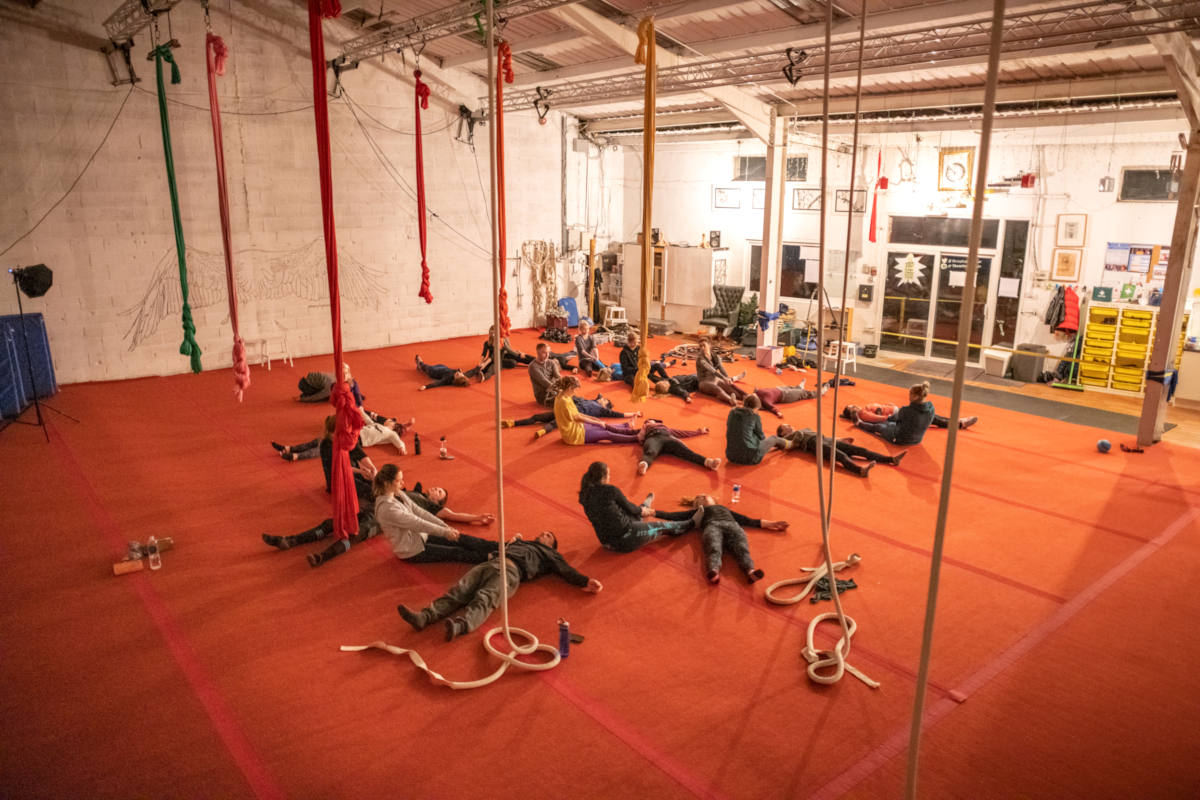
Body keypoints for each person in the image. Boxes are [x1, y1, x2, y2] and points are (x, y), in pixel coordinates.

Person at [397, 531, 602, 641]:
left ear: (552, 545)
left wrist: (584, 581)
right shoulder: (517, 543)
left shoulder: (550, 555)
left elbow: (566, 570)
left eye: (548, 535)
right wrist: (460, 536)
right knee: (459, 590)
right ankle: (425, 617)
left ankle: (462, 625)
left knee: (486, 598)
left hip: (512, 571)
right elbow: (486, 544)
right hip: (490, 563)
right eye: (543, 532)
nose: (543, 534)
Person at [372, 465, 500, 564]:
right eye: (399, 481)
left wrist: (444, 526)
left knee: (460, 538)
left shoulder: (398, 494)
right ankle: (489, 557)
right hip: (412, 550)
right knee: (455, 552)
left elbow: (419, 511)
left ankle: (499, 546)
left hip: (421, 535)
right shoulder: (388, 509)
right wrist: (444, 532)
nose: (403, 484)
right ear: (387, 483)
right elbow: (417, 522)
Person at [656, 495, 787, 584]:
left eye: (705, 495)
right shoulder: (698, 512)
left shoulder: (723, 508)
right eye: (699, 498)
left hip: (732, 525)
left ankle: (750, 571)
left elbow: (746, 520)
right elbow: (674, 515)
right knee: (713, 547)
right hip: (712, 525)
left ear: (714, 500)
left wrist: (772, 524)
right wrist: (653, 512)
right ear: (696, 505)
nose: (703, 497)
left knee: (741, 547)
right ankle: (714, 570)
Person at [577, 461, 693, 552]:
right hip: (625, 539)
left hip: (606, 542)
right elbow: (630, 507)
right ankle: (690, 523)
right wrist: (643, 511)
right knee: (660, 526)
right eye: (609, 474)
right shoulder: (610, 490)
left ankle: (644, 506)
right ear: (603, 478)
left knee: (632, 515)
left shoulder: (584, 494)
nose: (609, 477)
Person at [847, 382, 964, 445]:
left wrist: (887, 416)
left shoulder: (907, 410)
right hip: (918, 438)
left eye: (910, 393)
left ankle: (859, 424)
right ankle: (955, 422)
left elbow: (892, 418)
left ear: (915, 396)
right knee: (933, 418)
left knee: (880, 427)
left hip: (901, 438)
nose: (908, 396)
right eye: (852, 407)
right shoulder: (931, 407)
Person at [776, 423, 903, 477]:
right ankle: (860, 470)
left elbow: (825, 436)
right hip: (814, 444)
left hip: (825, 439)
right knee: (840, 456)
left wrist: (840, 439)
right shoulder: (790, 437)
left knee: (859, 450)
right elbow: (787, 445)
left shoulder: (804, 429)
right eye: (785, 427)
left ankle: (890, 459)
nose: (788, 425)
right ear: (783, 433)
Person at [554, 376, 643, 445]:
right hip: (574, 435)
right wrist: (595, 422)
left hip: (577, 427)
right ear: (570, 388)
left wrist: (594, 420)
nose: (575, 392)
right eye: (575, 389)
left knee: (601, 425)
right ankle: (636, 438)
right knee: (607, 434)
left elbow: (577, 414)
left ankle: (625, 426)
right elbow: (578, 417)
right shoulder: (564, 401)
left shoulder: (562, 396)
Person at [502, 393, 640, 437]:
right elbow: (572, 397)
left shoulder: (601, 410)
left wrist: (634, 413)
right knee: (538, 417)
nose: (601, 398)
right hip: (565, 409)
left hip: (571, 415)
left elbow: (618, 414)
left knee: (554, 423)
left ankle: (542, 432)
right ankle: (513, 423)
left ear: (605, 405)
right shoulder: (588, 400)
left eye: (604, 400)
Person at [620, 331, 691, 402]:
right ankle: (640, 392)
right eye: (634, 343)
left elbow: (644, 360)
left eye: (636, 342)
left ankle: (667, 379)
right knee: (635, 381)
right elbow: (626, 369)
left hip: (642, 370)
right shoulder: (624, 353)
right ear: (629, 342)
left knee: (657, 365)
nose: (636, 344)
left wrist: (645, 364)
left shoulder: (638, 348)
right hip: (631, 373)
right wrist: (638, 369)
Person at [637, 419, 720, 474]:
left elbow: (683, 433)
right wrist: (643, 430)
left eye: (650, 421)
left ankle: (709, 463)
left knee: (686, 452)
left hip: (667, 437)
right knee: (651, 451)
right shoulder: (645, 429)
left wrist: (699, 431)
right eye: (646, 422)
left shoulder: (666, 428)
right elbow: (638, 437)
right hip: (653, 438)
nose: (648, 422)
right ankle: (644, 465)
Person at [725, 393, 788, 465]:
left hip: (731, 456)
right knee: (774, 438)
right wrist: (767, 444)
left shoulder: (732, 412)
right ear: (755, 408)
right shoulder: (754, 416)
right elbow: (761, 436)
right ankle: (790, 443)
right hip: (750, 457)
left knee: (747, 433)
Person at [843, 401, 978, 432]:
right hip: (897, 416)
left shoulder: (865, 407)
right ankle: (959, 424)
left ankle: (958, 421)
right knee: (930, 417)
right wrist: (894, 415)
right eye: (852, 408)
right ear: (852, 413)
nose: (855, 406)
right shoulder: (863, 414)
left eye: (852, 405)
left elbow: (881, 406)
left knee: (931, 416)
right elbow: (879, 418)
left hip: (897, 411)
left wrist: (890, 405)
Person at [695, 338, 747, 406]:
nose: (702, 348)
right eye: (700, 346)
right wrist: (724, 378)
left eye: (704, 345)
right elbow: (712, 370)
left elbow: (721, 368)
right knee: (718, 389)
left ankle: (746, 398)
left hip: (715, 379)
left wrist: (727, 378)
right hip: (704, 382)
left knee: (730, 389)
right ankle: (731, 401)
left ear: (709, 345)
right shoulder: (700, 359)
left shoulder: (715, 356)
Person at [754, 380, 828, 418]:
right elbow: (772, 408)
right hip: (786, 396)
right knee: (803, 393)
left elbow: (743, 392)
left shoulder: (755, 394)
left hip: (779, 389)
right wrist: (778, 413)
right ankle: (821, 392)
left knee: (791, 387)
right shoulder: (765, 401)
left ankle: (799, 387)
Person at [528, 343, 563, 407]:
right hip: (543, 396)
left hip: (555, 391)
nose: (547, 355)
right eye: (544, 353)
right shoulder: (533, 366)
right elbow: (544, 382)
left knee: (573, 399)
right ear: (538, 353)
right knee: (565, 402)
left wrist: (565, 383)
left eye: (548, 352)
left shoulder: (551, 362)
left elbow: (558, 376)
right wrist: (560, 391)